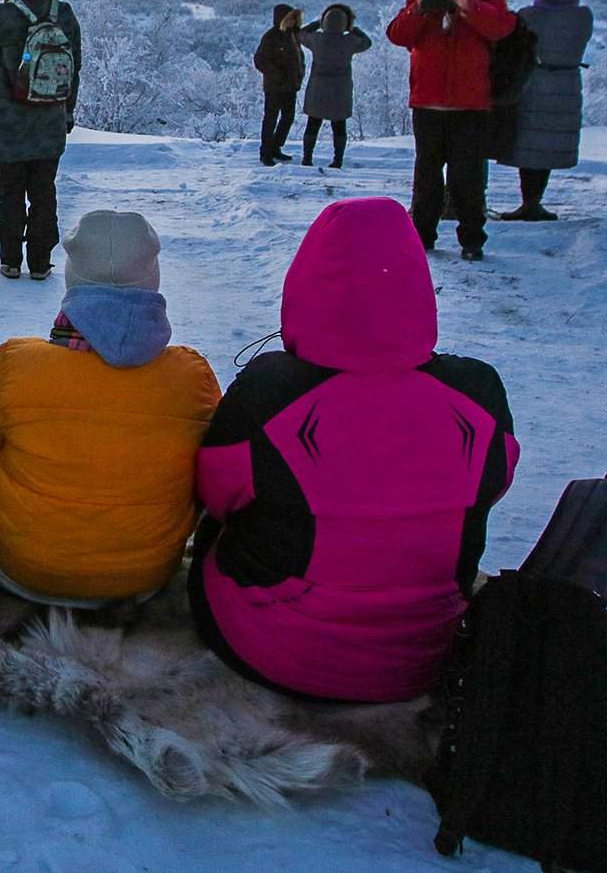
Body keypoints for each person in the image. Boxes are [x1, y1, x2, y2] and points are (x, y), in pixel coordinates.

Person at [189, 197, 520, 703]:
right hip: (426, 653)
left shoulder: (270, 391)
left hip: (274, 648)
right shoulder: (477, 390)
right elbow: (496, 481)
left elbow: (216, 495)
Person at [0, 211, 221, 607]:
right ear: (152, 281)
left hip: (22, 567)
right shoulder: (192, 375)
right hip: (144, 575)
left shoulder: (13, 363)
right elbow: (210, 489)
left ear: (73, 280)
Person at [385, 0, 517, 261]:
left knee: (467, 177)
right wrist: (420, 8)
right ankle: (422, 236)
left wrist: (467, 6)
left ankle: (472, 239)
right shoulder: (420, 4)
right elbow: (397, 35)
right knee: (426, 175)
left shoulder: (488, 2)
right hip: (427, 104)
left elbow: (501, 28)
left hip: (470, 106)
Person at [0, 0, 82, 279]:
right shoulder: (63, 14)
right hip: (50, 124)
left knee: (9, 197)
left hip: (8, 127)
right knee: (44, 194)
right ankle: (39, 262)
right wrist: (67, 112)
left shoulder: (3, 14)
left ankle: (10, 261)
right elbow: (74, 68)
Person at [497, 0, 593, 221]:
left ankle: (528, 202)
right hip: (567, 85)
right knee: (548, 143)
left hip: (532, 83)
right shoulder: (583, 18)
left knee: (530, 144)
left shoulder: (529, 16)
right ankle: (535, 201)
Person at [296, 3, 370, 167]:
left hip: (317, 89)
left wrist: (317, 23)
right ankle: (338, 160)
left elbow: (301, 34)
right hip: (340, 91)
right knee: (339, 127)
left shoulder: (317, 39)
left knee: (312, 124)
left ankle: (307, 158)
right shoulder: (349, 41)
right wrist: (352, 29)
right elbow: (367, 42)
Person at [253, 4, 304, 165]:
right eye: (291, 18)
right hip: (275, 86)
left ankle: (275, 147)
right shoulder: (272, 36)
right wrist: (278, 75)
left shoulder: (293, 35)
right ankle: (266, 152)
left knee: (288, 118)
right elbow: (260, 60)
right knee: (271, 119)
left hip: (290, 85)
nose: (294, 21)